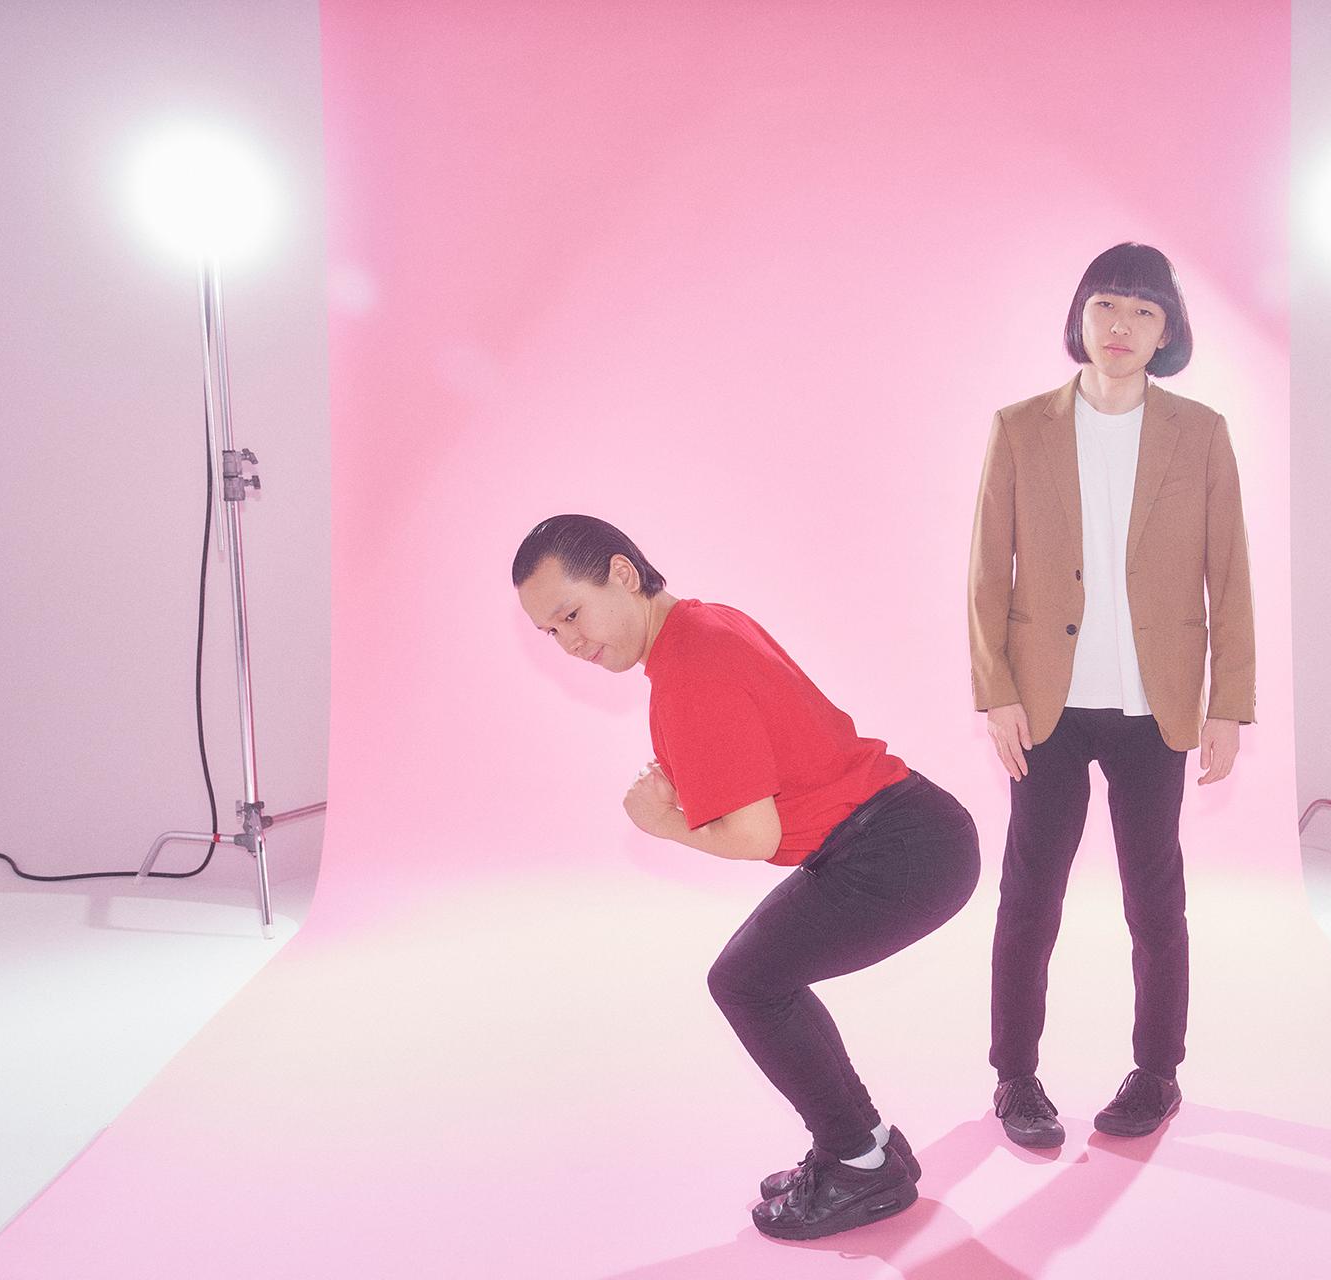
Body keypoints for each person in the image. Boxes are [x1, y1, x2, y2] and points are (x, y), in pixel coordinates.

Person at [513, 515, 980, 1240]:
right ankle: (864, 1145)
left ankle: (860, 1163)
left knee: (747, 983)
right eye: (551, 632)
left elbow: (753, 836)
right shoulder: (701, 626)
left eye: (571, 614)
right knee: (761, 976)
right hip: (901, 832)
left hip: (898, 850)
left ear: (623, 575)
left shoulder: (689, 668)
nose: (569, 643)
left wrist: (663, 823)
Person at [967, 242, 1256, 1147]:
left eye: (1143, 310)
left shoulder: (1200, 433)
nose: (1120, 325)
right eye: (1105, 305)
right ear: (1080, 316)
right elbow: (986, 572)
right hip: (1045, 706)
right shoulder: (1021, 427)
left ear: (1167, 331)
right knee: (1028, 898)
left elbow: (1230, 574)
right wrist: (996, 691)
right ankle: (1016, 1077)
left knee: (1154, 900)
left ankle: (1157, 1072)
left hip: (1154, 705)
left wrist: (1227, 703)